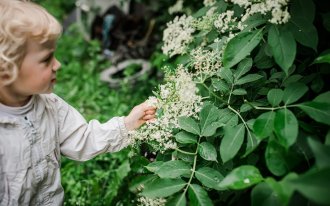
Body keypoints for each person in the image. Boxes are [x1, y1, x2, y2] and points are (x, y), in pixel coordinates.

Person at [0, 0, 156, 205]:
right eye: (46, 59)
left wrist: (126, 125)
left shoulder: (51, 106)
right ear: (6, 70)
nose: (58, 64)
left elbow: (82, 138)